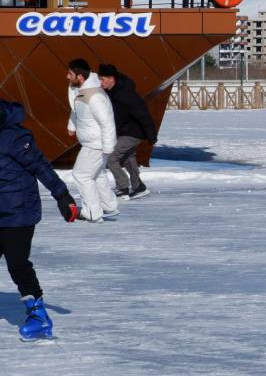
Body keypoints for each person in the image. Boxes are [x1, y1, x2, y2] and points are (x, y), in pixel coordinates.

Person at [0, 99, 79, 340]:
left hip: (18, 211)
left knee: (17, 263)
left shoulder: (13, 136)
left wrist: (62, 196)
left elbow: (40, 166)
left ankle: (39, 318)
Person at [66, 58, 119, 223]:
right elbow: (76, 110)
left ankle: (92, 213)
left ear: (80, 76)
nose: (67, 77)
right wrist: (72, 126)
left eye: (70, 74)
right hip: (92, 142)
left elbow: (107, 122)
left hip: (96, 144)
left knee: (81, 175)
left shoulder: (95, 96)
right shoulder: (83, 91)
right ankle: (109, 206)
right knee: (96, 174)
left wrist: (108, 147)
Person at [98, 64, 157, 200]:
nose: (101, 82)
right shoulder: (111, 92)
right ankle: (138, 187)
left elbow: (142, 113)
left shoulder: (125, 94)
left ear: (111, 78)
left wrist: (151, 134)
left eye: (103, 79)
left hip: (133, 132)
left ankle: (122, 187)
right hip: (125, 131)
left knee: (112, 158)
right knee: (128, 159)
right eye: (99, 79)